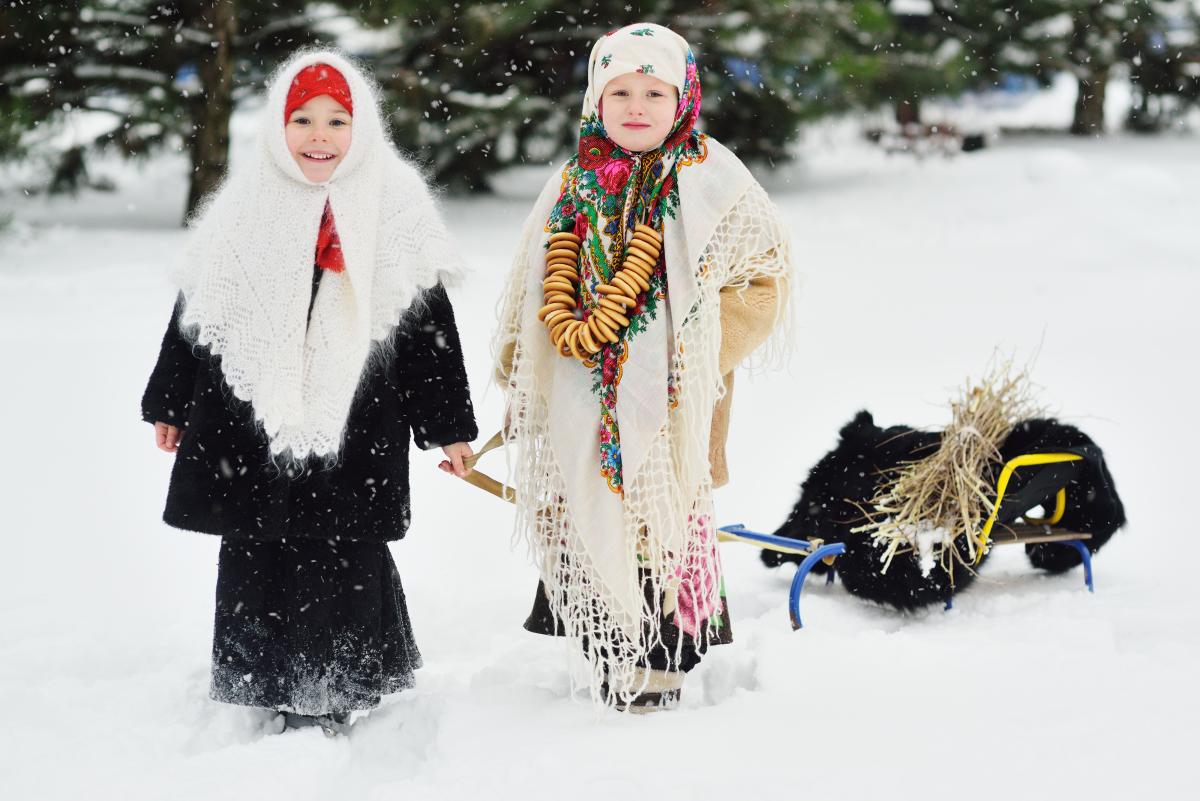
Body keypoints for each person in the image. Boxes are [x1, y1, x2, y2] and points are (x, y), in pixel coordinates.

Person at [141, 50, 477, 733]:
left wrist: (448, 424)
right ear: (276, 126)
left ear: (364, 128)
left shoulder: (394, 207)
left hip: (359, 414)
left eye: (336, 120)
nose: (318, 136)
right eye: (301, 119)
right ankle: (260, 672)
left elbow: (426, 332)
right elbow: (201, 308)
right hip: (251, 420)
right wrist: (171, 401)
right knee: (257, 545)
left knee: (341, 548)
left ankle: (340, 679)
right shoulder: (247, 204)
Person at [494, 24, 793, 711]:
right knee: (586, 509)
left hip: (674, 399)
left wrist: (695, 350)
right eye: (619, 90)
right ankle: (605, 644)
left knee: (662, 519)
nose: (635, 106)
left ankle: (661, 661)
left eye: (653, 91)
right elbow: (531, 292)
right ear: (595, 101)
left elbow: (763, 281)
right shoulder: (571, 186)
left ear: (681, 97)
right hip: (579, 387)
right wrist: (521, 378)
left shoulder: (710, 177)